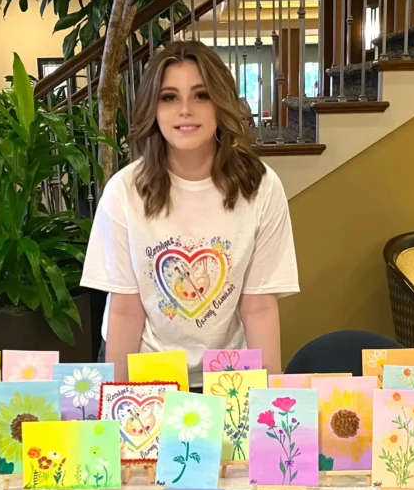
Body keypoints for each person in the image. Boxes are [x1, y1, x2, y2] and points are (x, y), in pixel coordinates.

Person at [81, 39, 299, 389]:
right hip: (146, 375)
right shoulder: (124, 191)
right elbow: (125, 310)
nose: (185, 110)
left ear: (221, 102)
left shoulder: (261, 186)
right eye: (169, 97)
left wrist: (272, 401)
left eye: (201, 95)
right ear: (153, 108)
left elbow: (257, 306)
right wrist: (117, 406)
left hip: (227, 375)